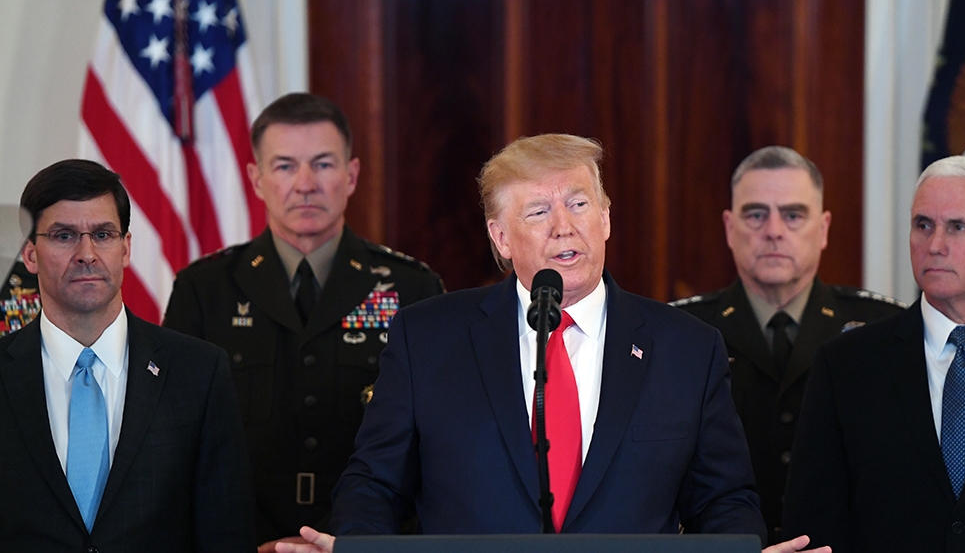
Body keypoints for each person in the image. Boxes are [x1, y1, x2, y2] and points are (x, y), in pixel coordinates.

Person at [275, 134, 827, 553]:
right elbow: (373, 485)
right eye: (538, 211)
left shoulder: (686, 347)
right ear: (500, 236)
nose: (564, 227)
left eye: (580, 204)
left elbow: (724, 500)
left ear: (607, 217)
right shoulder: (429, 338)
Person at [162, 93, 445, 550]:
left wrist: (351, 541)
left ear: (351, 175)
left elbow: (434, 446)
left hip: (367, 543)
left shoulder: (412, 290)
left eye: (323, 164)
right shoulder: (205, 290)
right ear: (256, 179)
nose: (305, 184)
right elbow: (175, 440)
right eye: (285, 166)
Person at [0, 159, 255, 551]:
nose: (87, 253)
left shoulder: (200, 372)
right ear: (30, 254)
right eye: (64, 236)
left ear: (126, 248)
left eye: (103, 234)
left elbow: (225, 536)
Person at [671, 146, 905, 543]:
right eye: (756, 214)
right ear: (730, 228)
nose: (774, 230)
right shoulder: (680, 332)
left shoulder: (882, 328)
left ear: (824, 228)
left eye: (793, 215)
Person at [783, 156, 965, 551]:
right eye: (923, 225)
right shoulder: (846, 364)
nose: (935, 245)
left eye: (958, 227)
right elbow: (813, 528)